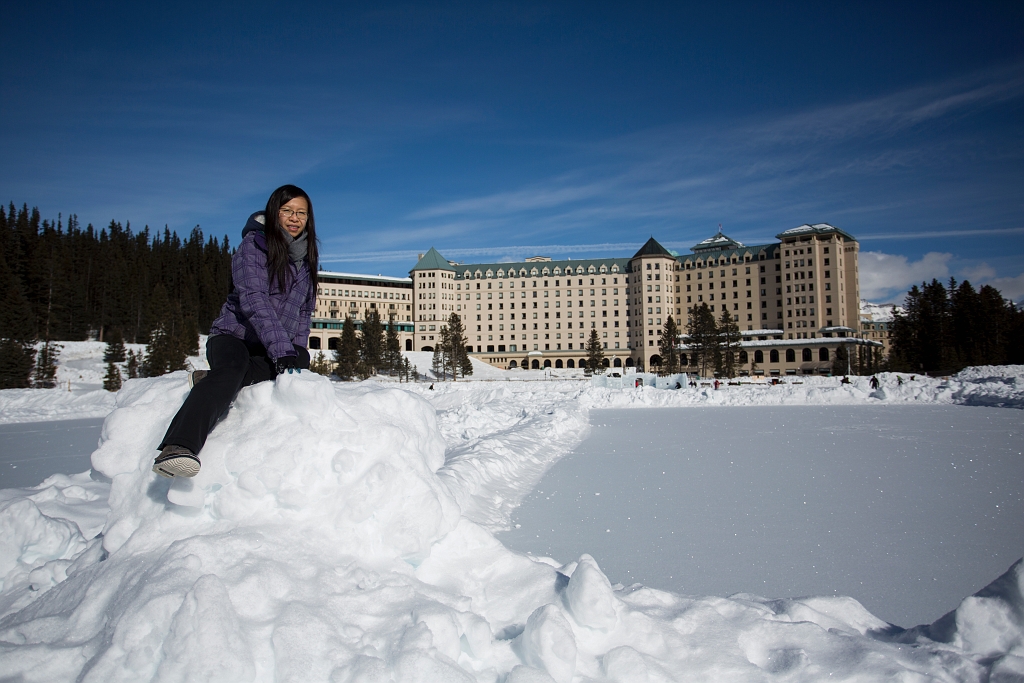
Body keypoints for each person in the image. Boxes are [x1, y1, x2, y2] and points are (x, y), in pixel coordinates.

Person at [152, 185, 319, 478]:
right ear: (274, 213)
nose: (295, 218)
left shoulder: (307, 261)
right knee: (233, 367)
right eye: (287, 211)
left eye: (301, 213)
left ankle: (213, 381)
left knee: (300, 360)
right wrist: (281, 350)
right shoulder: (254, 245)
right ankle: (178, 446)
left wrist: (294, 351)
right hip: (233, 336)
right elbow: (254, 299)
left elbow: (303, 313)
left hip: (269, 346)